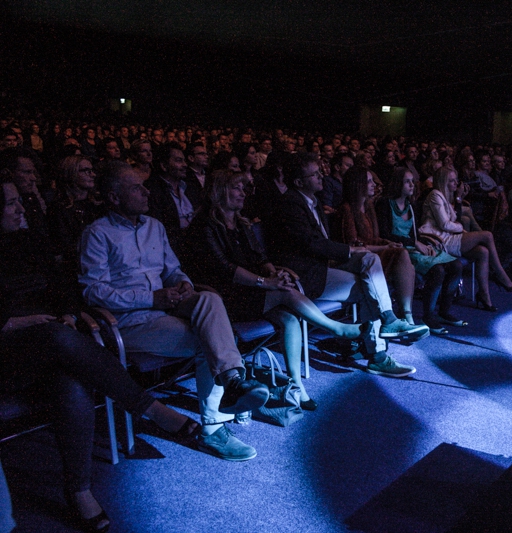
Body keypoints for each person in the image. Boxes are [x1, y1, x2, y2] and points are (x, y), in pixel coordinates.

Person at [0, 176, 202, 532]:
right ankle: (150, 408)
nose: (21, 208)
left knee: (72, 378)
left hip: (48, 339)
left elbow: (62, 287)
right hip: (9, 350)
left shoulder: (28, 240)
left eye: (19, 201)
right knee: (56, 337)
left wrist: (65, 311)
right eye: (12, 203)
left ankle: (79, 491)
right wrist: (20, 322)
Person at [80, 161, 270, 462]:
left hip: (167, 307)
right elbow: (94, 291)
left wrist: (182, 283)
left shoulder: (154, 226)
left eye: (145, 186)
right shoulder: (97, 234)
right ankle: (213, 428)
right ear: (114, 198)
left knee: (207, 299)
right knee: (210, 342)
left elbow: (173, 269)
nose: (146, 192)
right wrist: (151, 298)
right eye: (136, 188)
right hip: (131, 321)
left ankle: (232, 381)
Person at [183, 171, 369, 410]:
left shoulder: (241, 223)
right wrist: (265, 282)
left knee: (290, 318)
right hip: (224, 297)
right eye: (237, 189)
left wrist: (272, 272)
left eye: (243, 189)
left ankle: (297, 387)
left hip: (253, 291)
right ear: (220, 192)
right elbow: (225, 269)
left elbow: (259, 257)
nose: (243, 194)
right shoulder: (204, 225)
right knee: (284, 292)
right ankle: (336, 328)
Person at [273, 153, 427, 377]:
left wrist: (353, 250)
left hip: (323, 267)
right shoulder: (290, 204)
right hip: (305, 275)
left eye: (319, 171)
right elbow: (311, 244)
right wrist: (349, 250)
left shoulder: (311, 202)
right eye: (314, 174)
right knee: (369, 280)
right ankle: (380, 350)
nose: (321, 176)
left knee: (370, 264)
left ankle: (387, 327)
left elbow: (321, 244)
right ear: (298, 182)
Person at [376, 168, 465, 334]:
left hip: (413, 246)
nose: (412, 185)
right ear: (398, 184)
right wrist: (415, 243)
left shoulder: (411, 205)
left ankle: (444, 311)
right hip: (397, 250)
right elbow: (385, 234)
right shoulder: (385, 204)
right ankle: (428, 315)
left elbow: (415, 233)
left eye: (412, 181)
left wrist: (426, 243)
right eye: (407, 181)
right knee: (437, 270)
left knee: (456, 265)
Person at [420, 166, 512, 312]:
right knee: (487, 235)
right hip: (438, 241)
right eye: (451, 181)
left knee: (483, 252)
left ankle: (484, 296)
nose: (455, 183)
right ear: (443, 181)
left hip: (448, 237)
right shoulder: (435, 195)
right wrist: (459, 227)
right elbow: (445, 224)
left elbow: (454, 218)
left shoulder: (445, 197)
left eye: (455, 180)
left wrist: (459, 198)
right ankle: (500, 274)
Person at [338, 166, 418, 325]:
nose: (373, 184)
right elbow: (355, 245)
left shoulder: (368, 207)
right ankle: (406, 316)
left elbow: (374, 238)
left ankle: (406, 314)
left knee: (403, 256)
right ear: (357, 185)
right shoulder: (347, 209)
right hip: (356, 258)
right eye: (368, 181)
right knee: (402, 256)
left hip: (372, 253)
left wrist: (388, 243)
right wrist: (385, 247)